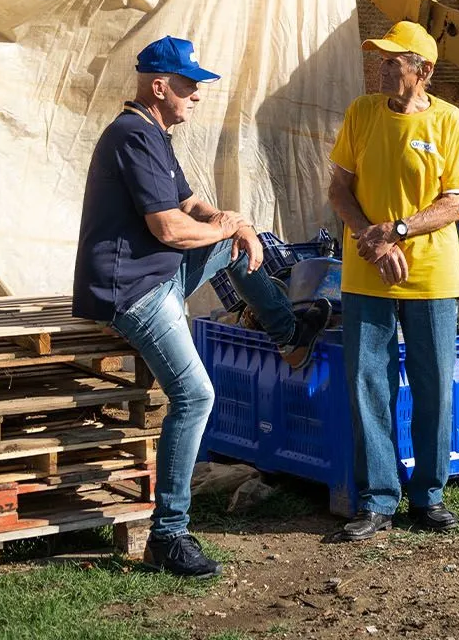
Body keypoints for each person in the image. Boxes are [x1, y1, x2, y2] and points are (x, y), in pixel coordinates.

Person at [72, 35, 332, 577]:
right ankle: (168, 536)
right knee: (195, 397)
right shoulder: (130, 135)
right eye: (190, 86)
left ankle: (287, 336)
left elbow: (189, 203)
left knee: (234, 243)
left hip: (158, 274)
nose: (197, 96)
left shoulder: (155, 132)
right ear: (160, 86)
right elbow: (168, 227)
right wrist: (230, 229)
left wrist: (236, 223)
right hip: (132, 291)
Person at [327, 20, 459, 541]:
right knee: (369, 382)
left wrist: (398, 229)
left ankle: (429, 495)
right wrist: (372, 241)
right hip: (367, 269)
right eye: (381, 59)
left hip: (432, 275)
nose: (382, 67)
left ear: (424, 71)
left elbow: (456, 201)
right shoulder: (362, 113)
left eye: (394, 61)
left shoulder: (449, 121)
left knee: (435, 383)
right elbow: (339, 189)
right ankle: (377, 500)